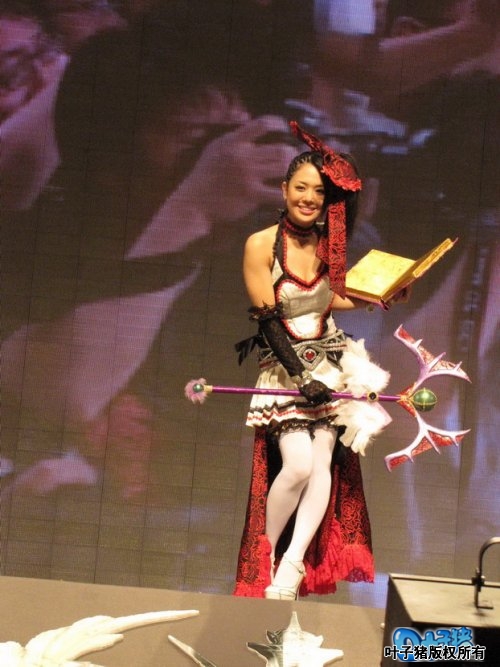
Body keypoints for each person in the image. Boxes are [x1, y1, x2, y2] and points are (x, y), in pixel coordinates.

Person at [233, 122, 407, 599]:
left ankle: (293, 564)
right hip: (286, 369)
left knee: (324, 464)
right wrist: (299, 376)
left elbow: (329, 298)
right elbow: (268, 320)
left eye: (319, 191)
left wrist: (380, 296)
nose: (309, 198)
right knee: (297, 465)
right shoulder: (261, 244)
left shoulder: (329, 244)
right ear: (284, 189)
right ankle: (266, 557)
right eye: (301, 188)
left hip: (332, 364)